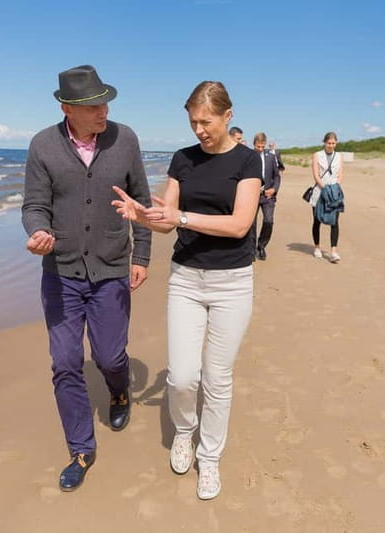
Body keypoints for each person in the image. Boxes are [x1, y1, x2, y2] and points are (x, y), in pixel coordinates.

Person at [112, 81, 261, 500]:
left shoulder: (249, 162)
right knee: (180, 377)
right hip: (186, 280)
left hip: (232, 283)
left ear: (227, 117)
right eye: (193, 121)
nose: (199, 129)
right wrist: (142, 216)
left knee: (216, 379)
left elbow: (239, 225)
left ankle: (209, 458)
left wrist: (181, 217)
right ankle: (184, 431)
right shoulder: (183, 159)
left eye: (206, 121)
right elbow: (166, 220)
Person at [21, 65, 152, 492]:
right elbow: (34, 205)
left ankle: (118, 391)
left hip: (112, 266)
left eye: (105, 102)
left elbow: (142, 202)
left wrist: (142, 255)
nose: (104, 111)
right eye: (94, 105)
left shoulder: (125, 138)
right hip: (60, 273)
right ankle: (80, 448)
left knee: (112, 358)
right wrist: (37, 231)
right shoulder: (42, 145)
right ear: (67, 109)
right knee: (64, 363)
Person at [308, 131, 344, 263]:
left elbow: (340, 175)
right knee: (317, 220)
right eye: (329, 143)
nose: (331, 145)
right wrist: (324, 187)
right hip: (319, 191)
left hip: (334, 192)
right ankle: (317, 247)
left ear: (336, 143)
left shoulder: (339, 156)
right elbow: (316, 175)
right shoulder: (317, 155)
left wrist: (334, 188)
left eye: (333, 143)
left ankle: (334, 251)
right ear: (324, 142)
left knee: (334, 222)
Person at [252, 132, 282, 260]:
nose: (260, 149)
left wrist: (274, 189)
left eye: (262, 147)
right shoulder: (249, 156)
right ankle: (251, 249)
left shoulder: (270, 157)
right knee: (251, 223)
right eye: (258, 146)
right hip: (252, 196)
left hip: (268, 196)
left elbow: (277, 176)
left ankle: (261, 246)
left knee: (268, 221)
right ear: (254, 144)